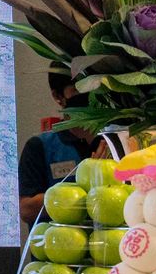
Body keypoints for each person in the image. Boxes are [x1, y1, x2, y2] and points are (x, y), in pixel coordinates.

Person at [16, 72, 100, 226]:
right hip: (58, 238)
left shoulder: (110, 141)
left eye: (91, 87)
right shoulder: (39, 146)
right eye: (77, 89)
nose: (86, 94)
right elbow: (26, 209)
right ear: (57, 96)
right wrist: (80, 194)